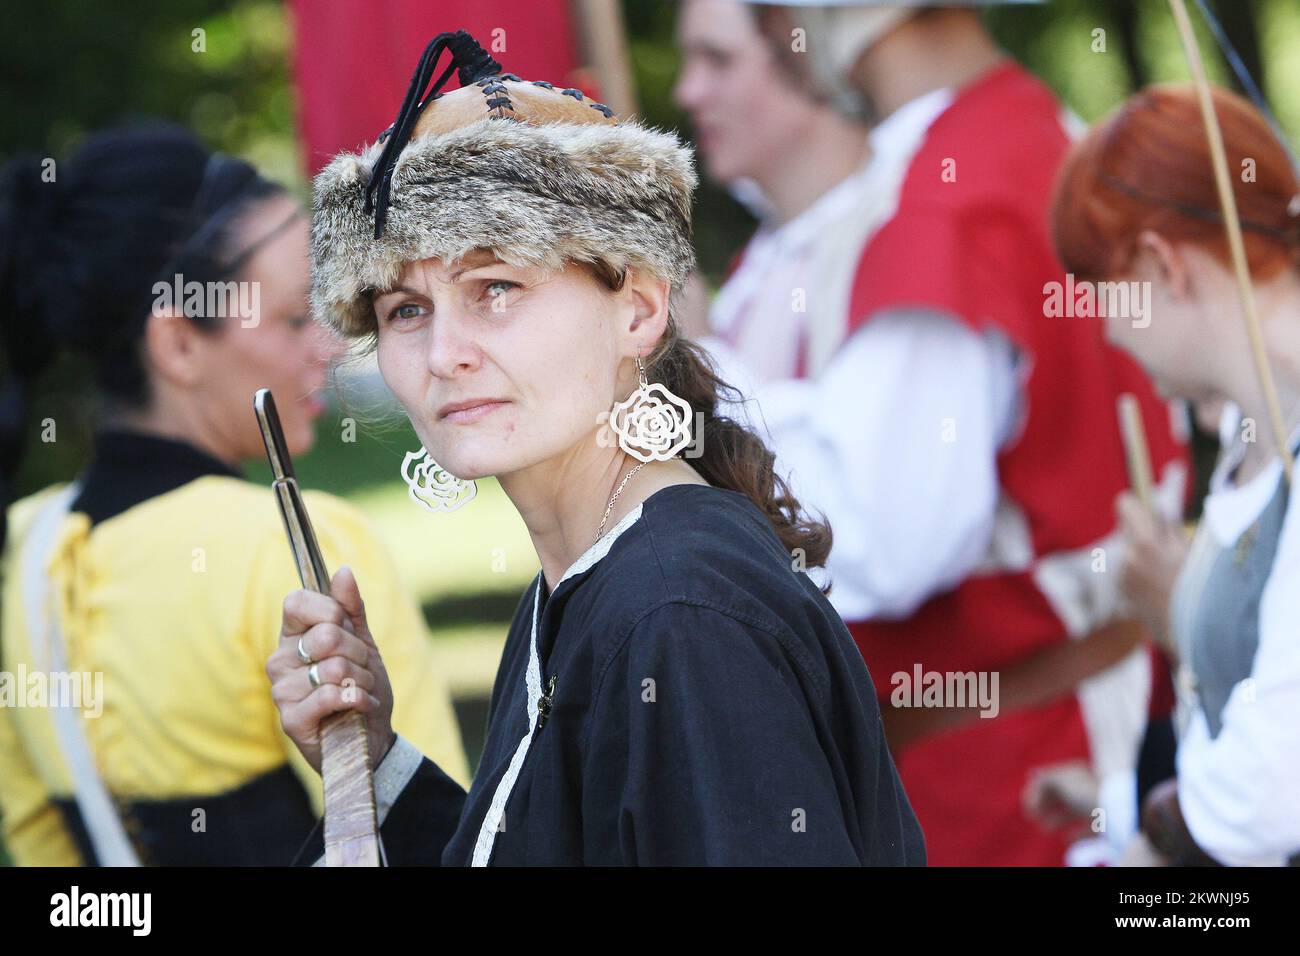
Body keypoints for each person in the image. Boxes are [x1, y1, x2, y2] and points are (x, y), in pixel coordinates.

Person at [268, 30, 926, 866]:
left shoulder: (679, 617)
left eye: (495, 288)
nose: (444, 353)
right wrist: (374, 763)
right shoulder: (589, 576)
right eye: (405, 310)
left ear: (640, 308)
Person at [682, 1, 1191, 865]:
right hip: (1051, 740)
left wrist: (701, 371)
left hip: (1002, 783)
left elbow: (880, 537)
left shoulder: (947, 191)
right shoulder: (1027, 127)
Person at [0, 124, 468, 865]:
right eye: (291, 319)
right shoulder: (305, 550)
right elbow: (434, 846)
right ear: (179, 344)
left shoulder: (24, 548)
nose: (330, 346)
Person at [1053, 84, 1300, 866]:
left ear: (1162, 264)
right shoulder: (1248, 433)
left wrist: (1149, 840)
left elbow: (1270, 795)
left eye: (1104, 292)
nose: (1107, 330)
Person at [673, 0, 874, 383]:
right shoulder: (765, 256)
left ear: (810, 54)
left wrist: (701, 357)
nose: (688, 92)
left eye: (719, 59)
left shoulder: (884, 242)